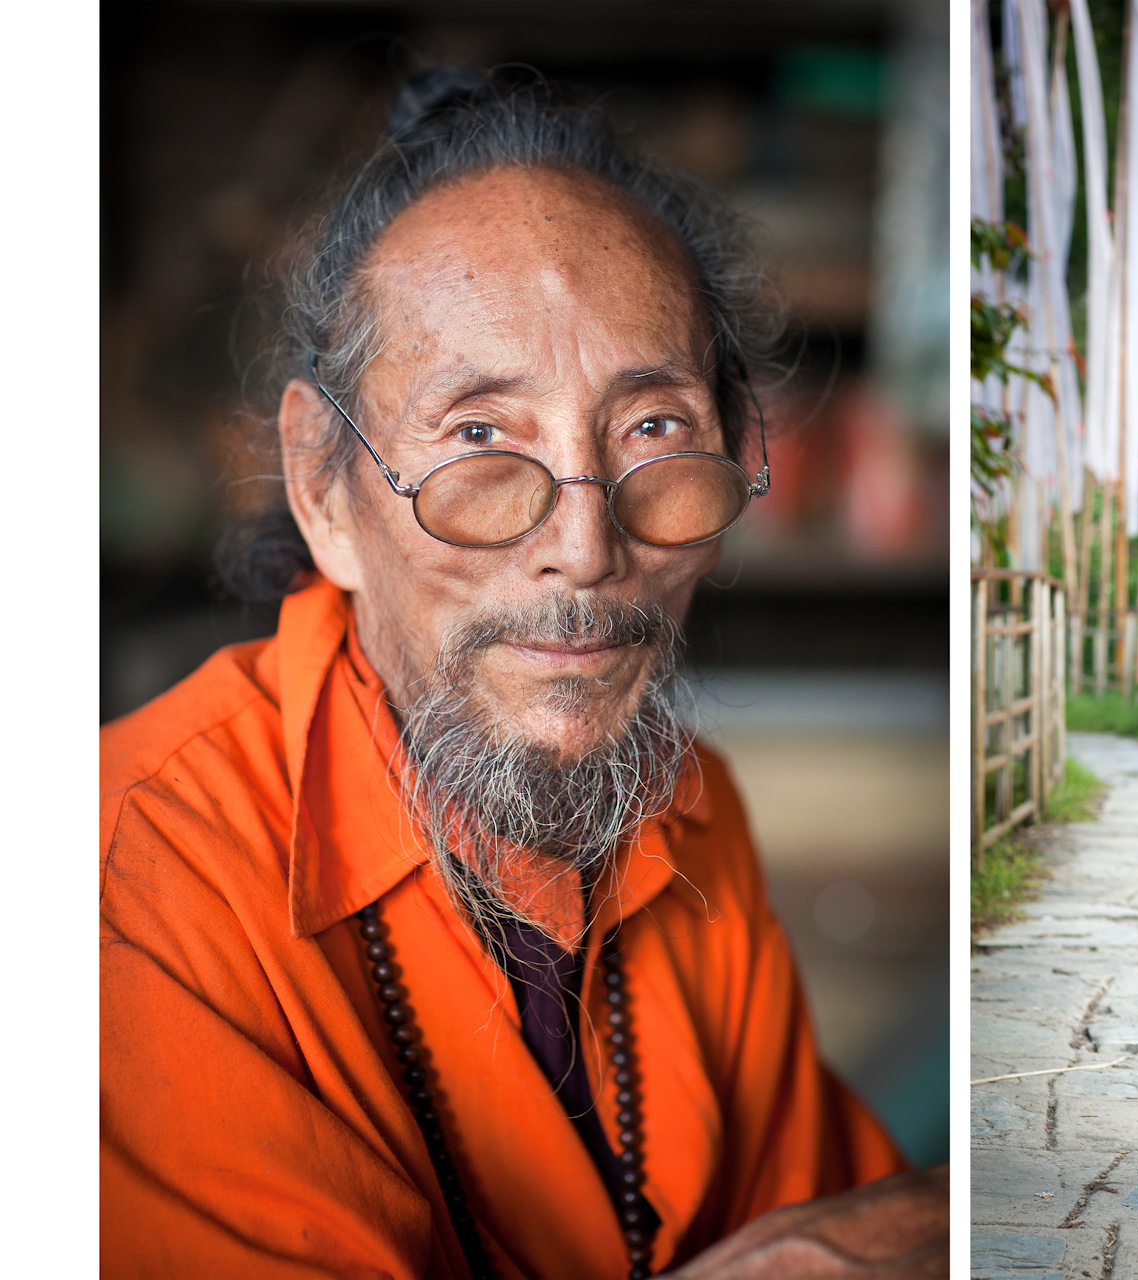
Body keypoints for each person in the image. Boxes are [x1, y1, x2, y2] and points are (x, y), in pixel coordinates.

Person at [100, 69, 944, 1279]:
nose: (589, 547)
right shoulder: (128, 890)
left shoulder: (685, 809)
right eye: (481, 436)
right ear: (322, 486)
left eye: (655, 429)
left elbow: (830, 1214)